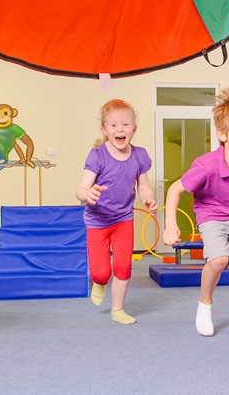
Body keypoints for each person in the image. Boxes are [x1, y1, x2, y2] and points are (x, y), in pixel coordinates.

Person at [163, 87, 229, 337]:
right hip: (211, 215)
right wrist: (170, 224)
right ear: (222, 134)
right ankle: (205, 304)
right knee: (220, 260)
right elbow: (175, 189)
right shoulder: (206, 166)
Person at [76, 100, 156, 324]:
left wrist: (148, 198)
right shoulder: (98, 156)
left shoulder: (139, 156)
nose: (120, 129)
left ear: (134, 129)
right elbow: (80, 189)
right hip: (97, 221)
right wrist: (88, 193)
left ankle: (117, 309)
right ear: (104, 130)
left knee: (123, 266)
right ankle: (100, 282)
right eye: (113, 125)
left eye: (125, 124)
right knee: (100, 273)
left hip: (123, 219)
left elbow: (143, 186)